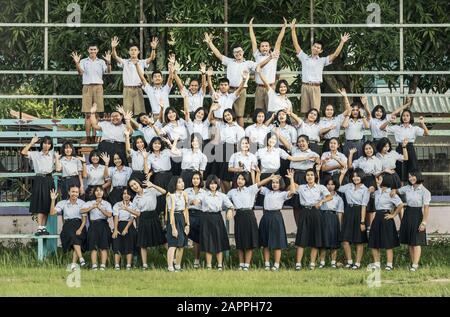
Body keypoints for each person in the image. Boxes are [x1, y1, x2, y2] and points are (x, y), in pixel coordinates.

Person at [204, 33, 274, 127]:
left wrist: (270, 58)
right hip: (228, 91)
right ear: (233, 54)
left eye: (240, 51)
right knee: (225, 113)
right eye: (236, 52)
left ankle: (241, 136)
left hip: (241, 90)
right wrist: (210, 42)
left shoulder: (248, 63)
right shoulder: (229, 61)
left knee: (239, 115)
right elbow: (218, 55)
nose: (238, 53)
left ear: (243, 52)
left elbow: (259, 65)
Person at [291, 19, 350, 113]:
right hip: (305, 86)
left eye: (318, 48)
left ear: (321, 51)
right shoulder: (304, 57)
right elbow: (296, 45)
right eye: (314, 46)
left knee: (315, 112)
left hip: (316, 87)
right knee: (305, 112)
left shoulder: (322, 60)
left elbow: (335, 55)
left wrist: (342, 42)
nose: (315, 48)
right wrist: (293, 29)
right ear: (312, 47)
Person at [227, 172, 277, 270]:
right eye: (238, 178)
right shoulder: (232, 192)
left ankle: (247, 264)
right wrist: (230, 208)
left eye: (242, 179)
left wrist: (270, 178)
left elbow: (260, 183)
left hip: (249, 215)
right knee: (240, 241)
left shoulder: (250, 189)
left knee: (249, 241)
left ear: (246, 180)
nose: (240, 180)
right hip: (239, 216)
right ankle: (241, 264)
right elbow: (224, 200)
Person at [288, 168, 333, 270]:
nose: (309, 177)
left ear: (315, 176)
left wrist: (322, 201)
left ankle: (312, 263)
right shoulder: (302, 187)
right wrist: (291, 178)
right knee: (301, 238)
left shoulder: (320, 187)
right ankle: (298, 264)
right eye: (308, 175)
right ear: (305, 177)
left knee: (315, 238)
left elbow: (330, 196)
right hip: (304, 212)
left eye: (311, 175)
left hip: (316, 212)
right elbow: (292, 190)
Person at [71, 45, 111, 143]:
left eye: (94, 49)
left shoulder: (101, 61)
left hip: (98, 87)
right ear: (88, 50)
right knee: (88, 114)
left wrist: (109, 61)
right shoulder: (84, 61)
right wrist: (77, 63)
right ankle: (88, 137)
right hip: (87, 87)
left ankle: (94, 137)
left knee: (96, 114)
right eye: (91, 49)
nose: (93, 51)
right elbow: (80, 72)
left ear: (97, 50)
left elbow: (108, 71)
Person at [277, 133, 320, 223]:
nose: (301, 143)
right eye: (299, 142)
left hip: (306, 177)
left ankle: (307, 226)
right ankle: (298, 227)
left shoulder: (313, 153)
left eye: (303, 141)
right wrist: (278, 134)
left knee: (306, 202)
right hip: (293, 176)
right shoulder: (294, 150)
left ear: (308, 142)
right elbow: (285, 142)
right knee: (295, 204)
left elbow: (319, 162)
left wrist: (317, 160)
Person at [111, 36, 159, 114]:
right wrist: (113, 48)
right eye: (131, 50)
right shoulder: (125, 62)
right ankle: (129, 126)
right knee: (127, 112)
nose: (133, 52)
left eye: (135, 50)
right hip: (127, 89)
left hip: (138, 89)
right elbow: (115, 57)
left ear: (138, 52)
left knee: (140, 112)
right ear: (129, 52)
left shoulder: (142, 62)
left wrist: (153, 49)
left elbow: (152, 58)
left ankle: (139, 126)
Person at [258, 173, 295, 271]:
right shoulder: (267, 191)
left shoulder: (282, 194)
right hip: (266, 216)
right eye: (273, 182)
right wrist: (260, 174)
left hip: (276, 217)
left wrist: (291, 178)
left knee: (276, 243)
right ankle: (266, 264)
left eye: (277, 183)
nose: (274, 184)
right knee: (265, 243)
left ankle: (276, 264)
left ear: (280, 184)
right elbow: (257, 184)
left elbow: (292, 191)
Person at [380, 110, 429, 182]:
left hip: (410, 148)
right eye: (403, 115)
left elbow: (426, 133)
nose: (405, 117)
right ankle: (400, 191)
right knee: (400, 170)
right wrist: (389, 121)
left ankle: (412, 189)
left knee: (413, 169)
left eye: (407, 115)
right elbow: (382, 128)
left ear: (410, 117)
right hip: (400, 148)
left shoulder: (414, 128)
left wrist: (422, 123)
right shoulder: (397, 127)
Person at [249, 17, 287, 111]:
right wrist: (250, 27)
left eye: (266, 46)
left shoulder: (274, 56)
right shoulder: (257, 55)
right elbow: (253, 41)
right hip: (259, 87)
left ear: (269, 47)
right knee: (258, 110)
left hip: (271, 86)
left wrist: (284, 27)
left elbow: (278, 42)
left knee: (270, 109)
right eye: (262, 46)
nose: (264, 47)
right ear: (260, 48)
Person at [129, 178, 167, 270]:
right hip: (143, 218)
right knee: (143, 243)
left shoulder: (150, 190)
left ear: (139, 183)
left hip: (154, 216)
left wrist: (153, 185)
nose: (134, 186)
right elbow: (137, 213)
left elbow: (164, 191)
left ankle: (171, 260)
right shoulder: (135, 199)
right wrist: (127, 209)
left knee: (163, 240)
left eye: (135, 184)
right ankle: (145, 265)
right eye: (132, 186)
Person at [21, 135, 55, 236]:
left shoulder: (53, 155)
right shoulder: (35, 154)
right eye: (45, 143)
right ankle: (39, 228)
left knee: (48, 204)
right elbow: (23, 152)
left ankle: (43, 228)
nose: (47, 145)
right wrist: (32, 143)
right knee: (40, 204)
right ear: (42, 144)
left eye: (49, 143)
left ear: (51, 145)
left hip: (49, 179)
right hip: (39, 179)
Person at [198, 175, 234, 270]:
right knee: (208, 242)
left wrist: (230, 210)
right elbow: (198, 200)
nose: (213, 186)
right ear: (208, 184)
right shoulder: (204, 194)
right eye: (211, 183)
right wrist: (195, 201)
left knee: (218, 242)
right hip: (206, 218)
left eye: (214, 184)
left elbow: (230, 205)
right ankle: (209, 265)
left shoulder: (222, 195)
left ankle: (220, 265)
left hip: (217, 218)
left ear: (217, 184)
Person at [397, 171, 431, 272]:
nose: (411, 178)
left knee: (416, 241)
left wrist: (424, 222)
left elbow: (426, 208)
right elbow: (396, 191)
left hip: (417, 215)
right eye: (409, 177)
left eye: (413, 176)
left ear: (418, 176)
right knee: (410, 242)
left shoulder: (425, 191)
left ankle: (415, 265)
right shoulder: (407, 188)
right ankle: (412, 263)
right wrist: (392, 191)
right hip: (407, 213)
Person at [368, 175, 403, 271]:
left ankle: (389, 264)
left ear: (385, 181)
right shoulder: (376, 192)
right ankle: (377, 263)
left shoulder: (391, 193)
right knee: (374, 241)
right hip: (377, 217)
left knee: (388, 242)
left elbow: (400, 205)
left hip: (386, 217)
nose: (377, 181)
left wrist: (393, 215)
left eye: (379, 179)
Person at [338, 168, 370, 270]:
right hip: (348, 212)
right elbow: (338, 187)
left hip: (359, 212)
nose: (355, 178)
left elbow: (364, 206)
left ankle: (357, 263)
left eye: (358, 176)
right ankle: (350, 261)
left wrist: (362, 221)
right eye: (354, 176)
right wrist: (342, 174)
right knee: (345, 239)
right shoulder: (348, 186)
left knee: (359, 240)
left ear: (362, 176)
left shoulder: (365, 189)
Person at [50, 186, 87, 271]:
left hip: (79, 224)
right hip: (68, 225)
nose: (75, 194)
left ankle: (74, 264)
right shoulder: (63, 203)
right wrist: (53, 200)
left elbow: (84, 220)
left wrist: (80, 229)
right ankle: (81, 259)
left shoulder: (82, 203)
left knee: (76, 238)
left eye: (76, 192)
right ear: (69, 192)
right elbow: (52, 213)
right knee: (74, 237)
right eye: (73, 192)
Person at [209, 107, 245, 193]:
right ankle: (224, 195)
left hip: (230, 150)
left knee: (226, 176)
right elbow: (210, 119)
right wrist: (212, 109)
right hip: (220, 149)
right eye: (225, 116)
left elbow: (240, 144)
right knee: (220, 176)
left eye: (228, 115)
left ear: (232, 115)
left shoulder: (238, 128)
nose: (227, 117)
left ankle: (229, 195)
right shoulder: (221, 125)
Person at [81, 186, 113, 271]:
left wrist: (100, 208)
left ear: (103, 192)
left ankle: (103, 265)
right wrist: (92, 207)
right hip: (93, 225)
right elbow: (81, 211)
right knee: (93, 247)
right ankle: (94, 266)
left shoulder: (107, 204)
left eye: (101, 191)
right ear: (94, 193)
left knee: (104, 246)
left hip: (103, 225)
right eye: (97, 191)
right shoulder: (90, 202)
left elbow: (109, 215)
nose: (99, 192)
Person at [165, 177, 190, 272]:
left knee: (181, 244)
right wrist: (173, 227)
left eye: (182, 181)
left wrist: (187, 224)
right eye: (179, 182)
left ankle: (178, 265)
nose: (182, 183)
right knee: (173, 243)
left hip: (181, 218)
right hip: (173, 219)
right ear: (174, 184)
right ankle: (170, 266)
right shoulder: (170, 195)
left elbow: (186, 210)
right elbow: (171, 212)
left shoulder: (184, 194)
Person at [112, 188, 140, 271]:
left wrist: (126, 229)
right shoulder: (117, 205)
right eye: (124, 193)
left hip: (129, 225)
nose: (126, 195)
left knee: (129, 243)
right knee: (117, 242)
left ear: (131, 196)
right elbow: (116, 217)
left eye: (128, 194)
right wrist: (115, 229)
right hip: (119, 224)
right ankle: (117, 265)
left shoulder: (133, 205)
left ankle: (128, 265)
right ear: (122, 195)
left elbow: (132, 218)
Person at [318, 178, 344, 268]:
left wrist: (340, 226)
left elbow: (339, 213)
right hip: (323, 217)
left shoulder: (339, 198)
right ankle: (322, 262)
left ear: (335, 186)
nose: (330, 186)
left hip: (333, 218)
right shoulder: (322, 196)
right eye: (328, 184)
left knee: (334, 241)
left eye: (332, 184)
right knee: (323, 241)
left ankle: (333, 262)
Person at [318, 88, 352, 153]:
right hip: (327, 142)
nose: (329, 111)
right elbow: (320, 132)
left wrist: (345, 97)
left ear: (333, 111)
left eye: (331, 110)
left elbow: (348, 110)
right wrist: (329, 128)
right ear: (324, 111)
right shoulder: (321, 121)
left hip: (337, 142)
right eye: (327, 110)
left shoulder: (337, 118)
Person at [184, 172, 205, 268]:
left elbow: (206, 205)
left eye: (197, 178)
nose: (195, 180)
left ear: (200, 180)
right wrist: (190, 202)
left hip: (199, 215)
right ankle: (177, 260)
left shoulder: (204, 192)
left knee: (197, 239)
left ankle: (196, 260)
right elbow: (182, 202)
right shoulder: (187, 191)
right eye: (193, 178)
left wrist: (200, 201)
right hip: (187, 214)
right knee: (183, 235)